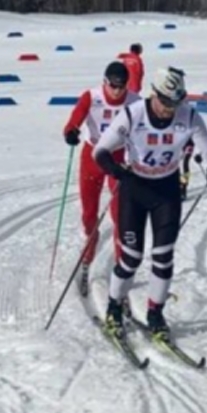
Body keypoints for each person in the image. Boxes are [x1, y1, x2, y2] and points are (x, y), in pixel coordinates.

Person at [94, 67, 207, 342]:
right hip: (134, 189)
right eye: (165, 102)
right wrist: (116, 171)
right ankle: (114, 308)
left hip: (166, 190)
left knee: (163, 256)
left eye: (174, 103)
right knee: (131, 258)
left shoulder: (188, 115)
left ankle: (156, 313)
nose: (169, 109)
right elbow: (101, 150)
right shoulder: (133, 114)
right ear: (154, 93)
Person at [61, 61, 137, 296]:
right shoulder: (91, 96)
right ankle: (88, 255)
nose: (117, 91)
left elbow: (144, 129)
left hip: (117, 158)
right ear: (105, 82)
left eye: (121, 86)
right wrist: (71, 132)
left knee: (120, 216)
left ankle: (119, 269)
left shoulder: (135, 101)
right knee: (89, 214)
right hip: (93, 156)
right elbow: (74, 120)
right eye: (113, 86)